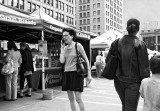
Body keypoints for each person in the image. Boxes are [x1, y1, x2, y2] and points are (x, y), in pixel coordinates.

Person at [106, 18, 150, 111]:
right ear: (138, 29)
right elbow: (144, 68)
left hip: (118, 80)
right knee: (130, 108)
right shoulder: (141, 44)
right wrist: (146, 84)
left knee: (125, 106)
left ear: (127, 28)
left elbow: (107, 60)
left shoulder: (116, 42)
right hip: (134, 82)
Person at [60, 28, 92, 111]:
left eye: (66, 35)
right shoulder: (64, 48)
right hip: (67, 73)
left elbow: (86, 60)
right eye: (63, 36)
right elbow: (62, 61)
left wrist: (89, 74)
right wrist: (62, 48)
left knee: (78, 99)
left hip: (76, 74)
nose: (64, 37)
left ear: (72, 36)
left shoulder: (78, 45)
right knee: (71, 99)